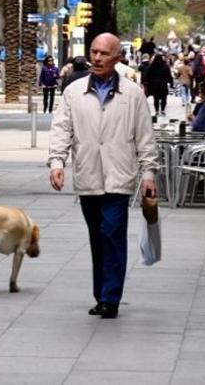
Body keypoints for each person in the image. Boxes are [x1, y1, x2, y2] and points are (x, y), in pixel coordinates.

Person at [48, 33, 158, 319]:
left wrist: (148, 173)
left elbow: (145, 137)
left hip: (119, 177)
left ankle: (111, 297)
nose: (96, 58)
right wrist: (57, 162)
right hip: (88, 175)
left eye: (103, 53)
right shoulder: (73, 91)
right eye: (93, 52)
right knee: (97, 237)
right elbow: (61, 129)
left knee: (113, 233)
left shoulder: (133, 94)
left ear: (118, 57)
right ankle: (101, 295)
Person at [142, 53, 173, 118]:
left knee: (156, 98)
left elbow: (147, 75)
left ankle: (156, 111)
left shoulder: (151, 66)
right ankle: (162, 110)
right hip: (163, 84)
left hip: (154, 85)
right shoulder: (165, 66)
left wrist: (147, 83)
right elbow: (169, 75)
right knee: (164, 98)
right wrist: (171, 83)